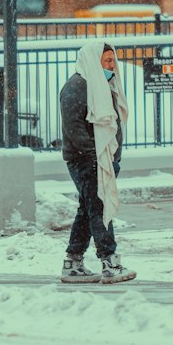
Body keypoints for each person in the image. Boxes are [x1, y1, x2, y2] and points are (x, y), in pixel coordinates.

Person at [59, 40, 136, 284]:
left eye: (113, 60)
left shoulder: (104, 85)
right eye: (108, 61)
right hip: (86, 160)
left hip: (103, 158)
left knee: (88, 208)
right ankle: (109, 262)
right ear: (94, 61)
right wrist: (94, 156)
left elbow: (113, 124)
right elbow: (74, 128)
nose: (113, 66)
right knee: (100, 207)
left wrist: (113, 157)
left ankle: (73, 263)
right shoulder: (77, 86)